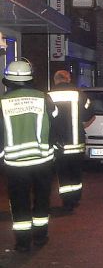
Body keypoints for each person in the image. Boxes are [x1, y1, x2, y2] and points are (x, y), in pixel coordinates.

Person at [0, 59, 59, 252]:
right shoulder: (44, 98)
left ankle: (23, 243)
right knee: (42, 199)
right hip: (42, 160)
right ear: (30, 78)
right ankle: (41, 237)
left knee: (19, 203)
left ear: (7, 80)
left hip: (15, 164)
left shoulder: (2, 102)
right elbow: (55, 124)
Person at [48, 70, 93, 212]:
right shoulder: (80, 94)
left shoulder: (48, 96)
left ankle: (67, 202)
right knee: (76, 172)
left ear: (55, 80)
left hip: (58, 144)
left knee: (63, 174)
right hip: (76, 142)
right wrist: (83, 125)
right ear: (68, 79)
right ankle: (75, 198)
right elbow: (90, 114)